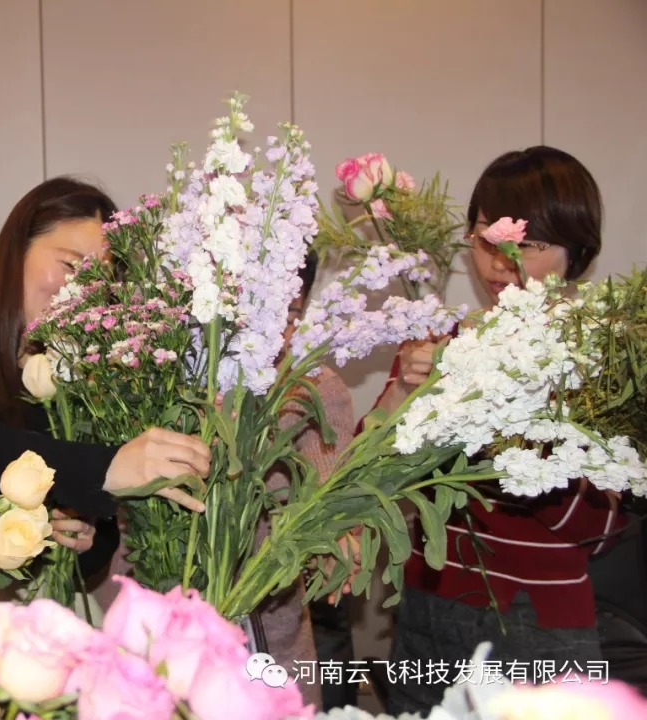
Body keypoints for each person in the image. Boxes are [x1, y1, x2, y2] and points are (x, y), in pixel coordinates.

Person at [371, 148, 628, 714]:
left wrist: (505, 432)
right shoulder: (440, 341)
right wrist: (404, 395)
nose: (499, 262)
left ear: (577, 251)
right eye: (486, 238)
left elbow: (602, 528)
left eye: (527, 244)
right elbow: (367, 480)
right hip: (428, 602)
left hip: (538, 620)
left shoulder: (598, 360)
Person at [0, 177, 210, 582]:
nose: (81, 291)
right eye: (71, 265)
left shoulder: (75, 381)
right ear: (17, 251)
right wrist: (105, 467)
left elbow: (92, 559)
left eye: (100, 282)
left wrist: (81, 536)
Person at [257, 251, 358, 711]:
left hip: (274, 639)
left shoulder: (311, 383)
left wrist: (337, 536)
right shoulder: (166, 367)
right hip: (164, 630)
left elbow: (329, 491)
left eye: (291, 312)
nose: (275, 328)